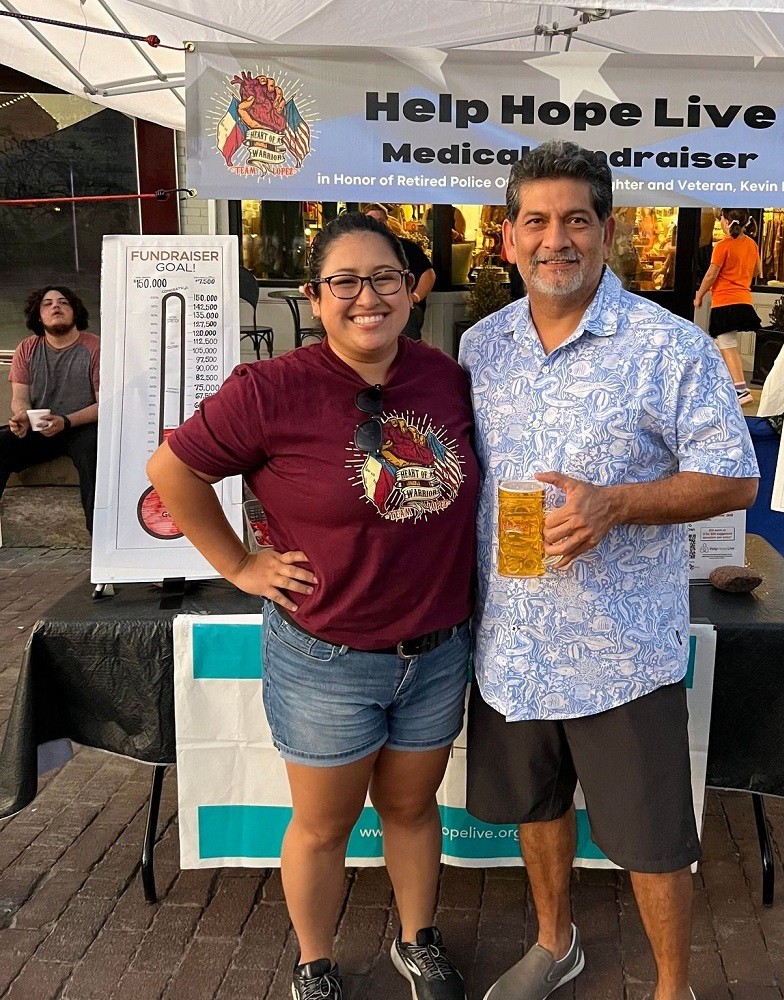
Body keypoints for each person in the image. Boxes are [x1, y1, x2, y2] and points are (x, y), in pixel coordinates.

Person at [147, 212, 479, 1000]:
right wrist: (238, 563)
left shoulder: (446, 378)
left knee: (410, 806)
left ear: (413, 287)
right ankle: (315, 964)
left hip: (436, 649)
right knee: (325, 826)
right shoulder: (269, 389)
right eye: (346, 282)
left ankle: (417, 940)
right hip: (326, 655)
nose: (368, 297)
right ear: (314, 296)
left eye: (386, 278)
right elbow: (172, 472)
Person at [458, 141, 759, 1000]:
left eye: (576, 221)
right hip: (512, 642)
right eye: (537, 221)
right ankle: (557, 944)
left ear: (609, 232)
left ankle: (673, 988)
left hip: (620, 649)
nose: (557, 240)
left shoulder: (670, 348)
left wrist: (616, 505)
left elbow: (735, 476)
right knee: (538, 806)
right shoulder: (483, 346)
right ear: (508, 236)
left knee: (652, 835)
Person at [2, 286, 99, 533]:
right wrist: (21, 416)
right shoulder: (27, 348)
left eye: (63, 302)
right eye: (47, 304)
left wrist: (66, 421)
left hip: (82, 426)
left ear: (75, 312)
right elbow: (20, 398)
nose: (55, 306)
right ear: (38, 316)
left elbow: (105, 405)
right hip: (41, 426)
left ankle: (100, 538)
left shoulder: (95, 348)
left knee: (93, 454)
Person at [693, 207, 763, 406]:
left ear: (724, 221)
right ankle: (723, 385)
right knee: (720, 345)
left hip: (725, 303)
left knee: (727, 346)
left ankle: (741, 390)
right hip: (743, 301)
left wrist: (699, 295)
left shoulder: (722, 246)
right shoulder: (751, 244)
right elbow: (757, 270)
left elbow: (710, 275)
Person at [364, 203, 436, 340]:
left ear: (387, 222)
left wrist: (415, 297)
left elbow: (428, 274)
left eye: (380, 221)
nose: (376, 225)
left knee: (407, 338)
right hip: (373, 306)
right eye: (370, 221)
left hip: (405, 307)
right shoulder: (357, 251)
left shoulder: (407, 247)